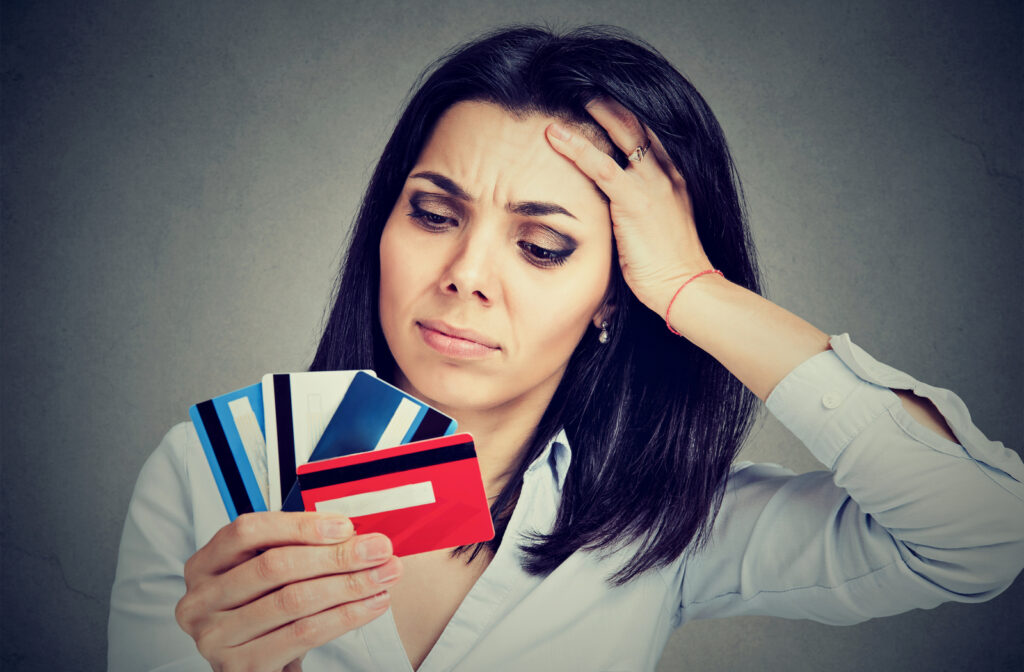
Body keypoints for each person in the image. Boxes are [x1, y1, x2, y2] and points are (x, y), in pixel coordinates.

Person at [108, 25, 1024, 672]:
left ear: (611, 299)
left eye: (542, 247)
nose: (467, 273)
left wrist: (691, 291)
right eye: (434, 214)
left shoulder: (663, 527)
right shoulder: (212, 474)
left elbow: (984, 533)